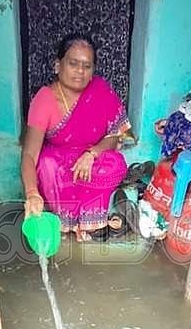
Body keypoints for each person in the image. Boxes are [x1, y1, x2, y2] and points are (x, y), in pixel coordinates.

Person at [21, 33, 131, 242]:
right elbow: (29, 154)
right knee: (46, 164)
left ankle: (90, 221)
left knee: (115, 163)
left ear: (92, 71)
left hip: (91, 159)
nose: (80, 71)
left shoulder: (100, 90)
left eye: (87, 66)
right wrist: (32, 193)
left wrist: (92, 154)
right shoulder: (44, 100)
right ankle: (66, 220)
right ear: (58, 65)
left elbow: (114, 136)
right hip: (60, 163)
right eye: (73, 63)